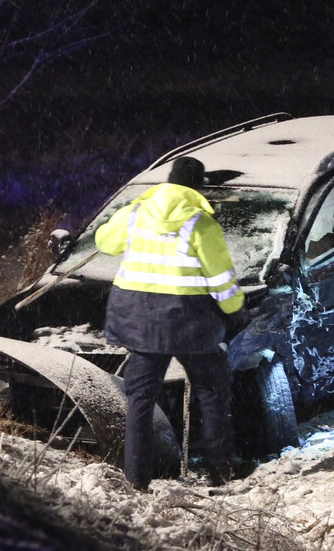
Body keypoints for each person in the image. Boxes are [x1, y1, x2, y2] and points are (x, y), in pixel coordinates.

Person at [95, 156, 248, 489]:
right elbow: (221, 279)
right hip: (188, 321)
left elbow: (105, 243)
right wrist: (236, 309)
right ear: (197, 187)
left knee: (139, 400)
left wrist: (115, 222)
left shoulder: (135, 213)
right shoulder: (200, 223)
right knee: (212, 393)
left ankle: (136, 479)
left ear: (168, 181)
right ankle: (221, 473)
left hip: (140, 319)